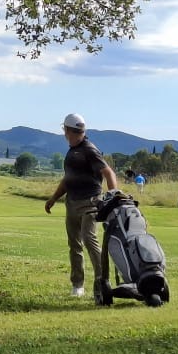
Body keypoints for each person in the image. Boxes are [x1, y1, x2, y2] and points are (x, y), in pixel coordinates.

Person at [43, 112, 118, 298]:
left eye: (66, 130)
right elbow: (68, 180)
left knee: (89, 240)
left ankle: (102, 283)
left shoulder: (89, 150)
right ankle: (78, 285)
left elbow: (109, 173)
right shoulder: (72, 151)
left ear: (67, 130)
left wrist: (113, 196)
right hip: (72, 203)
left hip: (90, 202)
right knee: (75, 244)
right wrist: (54, 198)